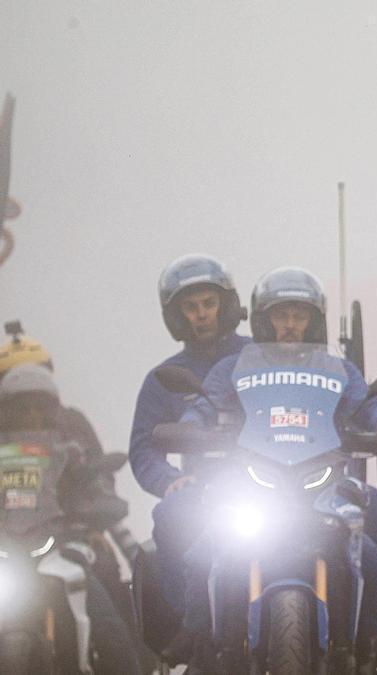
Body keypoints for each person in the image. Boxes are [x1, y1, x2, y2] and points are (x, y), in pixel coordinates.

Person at [182, 266, 377, 667]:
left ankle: (369, 639)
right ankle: (200, 645)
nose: (290, 324)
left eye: (299, 315)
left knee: (374, 548)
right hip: (248, 485)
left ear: (314, 320)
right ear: (263, 320)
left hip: (325, 486)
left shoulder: (340, 370)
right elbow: (203, 407)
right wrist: (188, 427)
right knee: (201, 553)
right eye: (281, 315)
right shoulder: (233, 368)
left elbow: (369, 409)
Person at [128, 254, 251, 663]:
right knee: (171, 514)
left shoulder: (261, 356)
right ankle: (194, 630)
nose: (201, 314)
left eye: (209, 303)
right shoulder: (163, 378)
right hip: (203, 490)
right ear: (176, 316)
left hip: (274, 481)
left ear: (226, 305)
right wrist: (169, 481)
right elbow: (143, 448)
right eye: (190, 307)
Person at [0, 364, 142, 674]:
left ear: (53, 411)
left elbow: (96, 494)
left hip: (60, 553)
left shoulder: (71, 455)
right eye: (22, 408)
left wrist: (91, 519)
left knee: (110, 629)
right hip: (7, 557)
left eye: (39, 407)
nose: (31, 415)